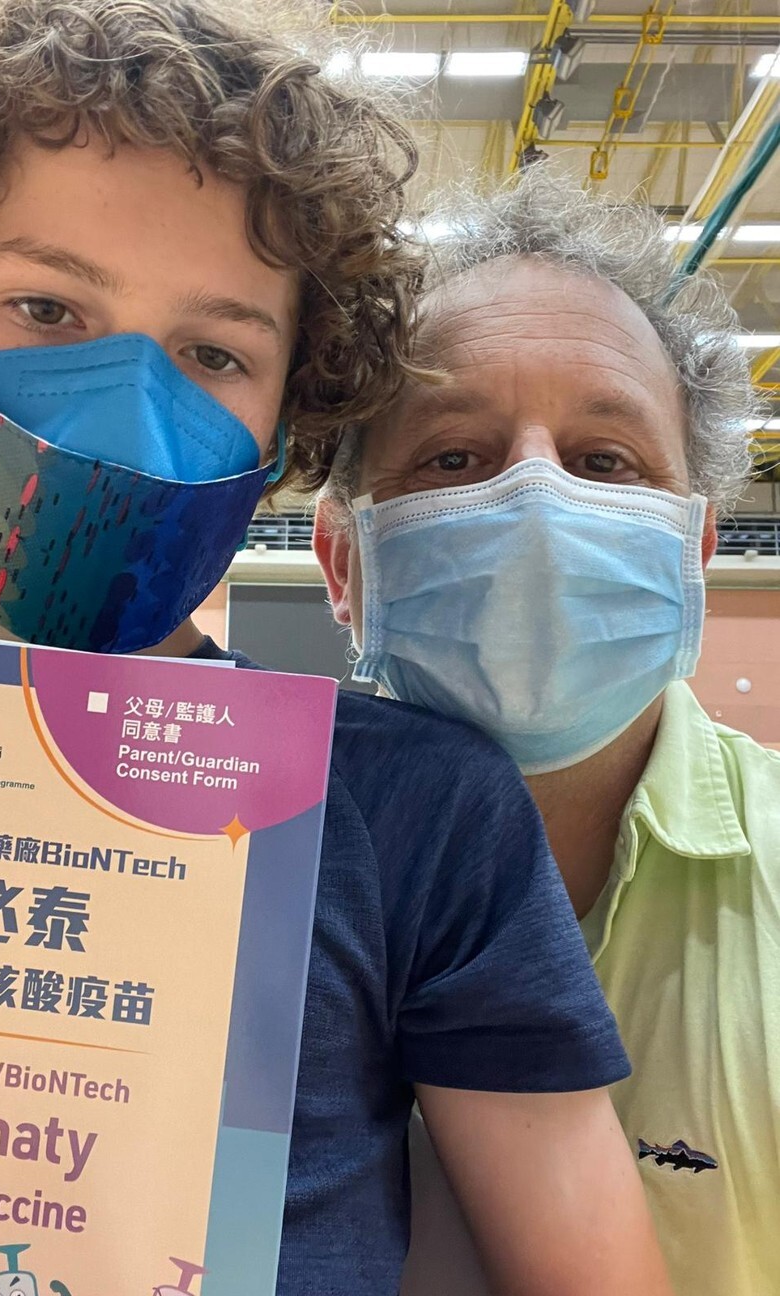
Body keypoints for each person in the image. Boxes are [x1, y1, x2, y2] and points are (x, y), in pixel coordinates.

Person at [0, 6, 672, 1293]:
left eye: (215, 353)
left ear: (280, 438)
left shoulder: (412, 809)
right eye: (47, 307)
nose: (127, 408)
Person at [314, 170, 777, 1296]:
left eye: (605, 462)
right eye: (454, 459)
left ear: (693, 547)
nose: (536, 504)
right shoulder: (239, 863)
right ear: (344, 562)